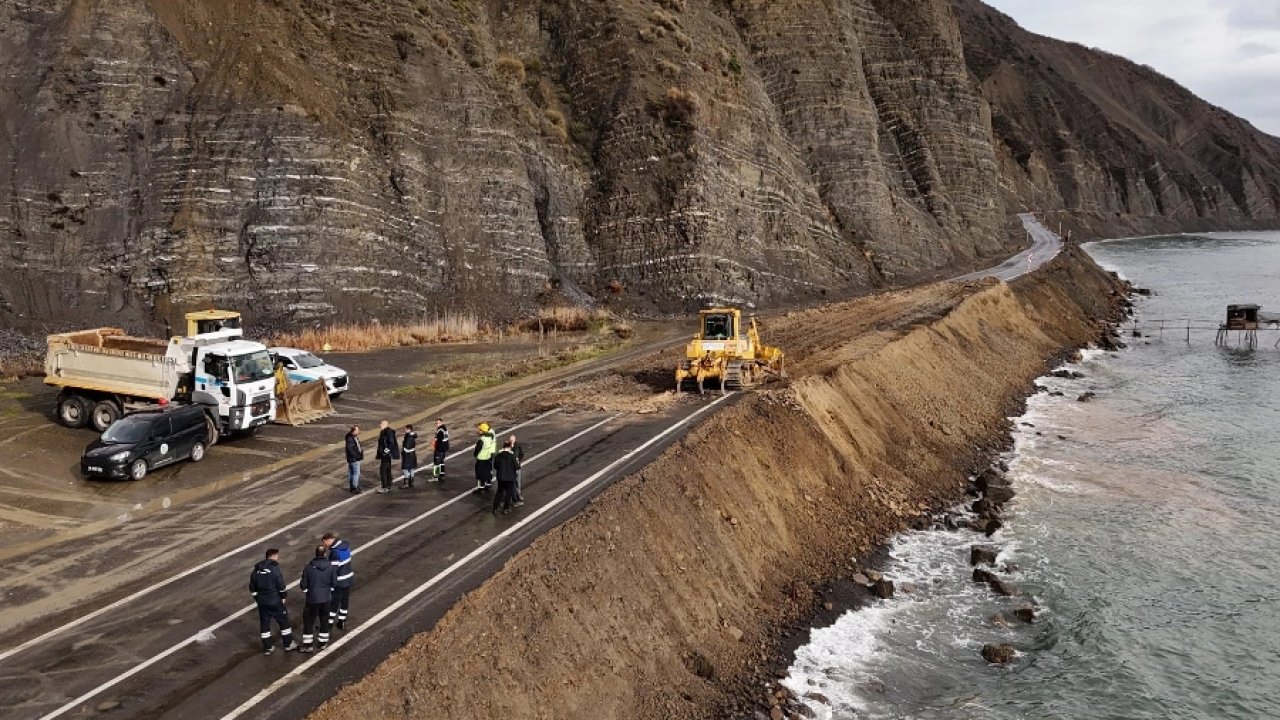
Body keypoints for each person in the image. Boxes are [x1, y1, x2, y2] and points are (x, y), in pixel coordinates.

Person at [249, 548, 295, 655]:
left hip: (262, 602)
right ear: (274, 556)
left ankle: (268, 647)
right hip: (275, 601)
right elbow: (280, 584)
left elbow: (252, 588)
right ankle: (288, 644)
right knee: (283, 622)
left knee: (265, 624)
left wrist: (258, 599)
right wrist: (283, 596)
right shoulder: (274, 568)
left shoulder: (256, 570)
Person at [299, 544, 336, 653]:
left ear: (316, 554)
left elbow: (303, 585)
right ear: (325, 554)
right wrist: (328, 591)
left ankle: (308, 645)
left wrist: (308, 592)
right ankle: (323, 643)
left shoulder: (308, 568)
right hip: (326, 598)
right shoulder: (330, 567)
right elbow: (334, 583)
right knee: (324, 620)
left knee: (309, 621)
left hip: (312, 599)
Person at [322, 532, 354, 630]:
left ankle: (329, 625)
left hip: (339, 581)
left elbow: (333, 570)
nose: (325, 545)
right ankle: (342, 621)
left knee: (334, 603)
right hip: (348, 578)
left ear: (329, 540)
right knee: (345, 601)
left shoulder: (335, 552)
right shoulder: (346, 546)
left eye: (325, 542)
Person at [492, 438, 521, 514]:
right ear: (510, 447)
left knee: (499, 492)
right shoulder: (512, 456)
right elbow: (517, 466)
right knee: (508, 493)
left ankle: (495, 508)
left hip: (501, 477)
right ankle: (505, 509)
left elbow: (495, 466)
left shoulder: (498, 456)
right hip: (510, 478)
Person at [473, 421, 497, 493]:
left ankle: (481, 487)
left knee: (480, 473)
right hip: (488, 456)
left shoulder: (482, 439)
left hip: (481, 458)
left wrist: (475, 454)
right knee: (487, 471)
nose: (478, 431)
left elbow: (477, 449)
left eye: (479, 430)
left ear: (482, 431)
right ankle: (488, 484)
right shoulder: (490, 437)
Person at [376, 420, 399, 493]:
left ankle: (385, 487)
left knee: (383, 470)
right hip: (387, 454)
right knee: (388, 470)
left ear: (384, 425)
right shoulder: (386, 432)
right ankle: (389, 485)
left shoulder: (388, 432)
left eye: (381, 424)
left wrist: (385, 452)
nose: (380, 426)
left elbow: (391, 443)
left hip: (386, 455)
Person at [345, 425, 364, 494]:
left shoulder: (352, 437)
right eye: (357, 430)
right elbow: (351, 449)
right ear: (354, 431)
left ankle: (353, 486)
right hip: (354, 459)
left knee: (352, 473)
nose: (359, 431)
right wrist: (358, 456)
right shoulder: (351, 438)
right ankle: (354, 488)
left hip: (351, 458)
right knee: (356, 473)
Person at [508, 433, 526, 506]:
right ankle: (514, 496)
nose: (511, 442)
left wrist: (518, 460)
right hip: (511, 468)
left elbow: (521, 454)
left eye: (513, 440)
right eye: (510, 440)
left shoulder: (518, 446)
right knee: (513, 483)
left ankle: (518, 494)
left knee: (517, 482)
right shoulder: (507, 446)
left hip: (516, 466)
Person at [430, 418, 449, 483]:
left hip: (439, 449)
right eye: (436, 423)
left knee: (436, 463)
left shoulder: (440, 430)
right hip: (443, 448)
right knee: (441, 462)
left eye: (438, 423)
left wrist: (435, 444)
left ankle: (435, 477)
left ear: (441, 423)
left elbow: (438, 441)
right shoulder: (444, 428)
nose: (437, 424)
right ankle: (442, 475)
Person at [400, 424, 418, 489]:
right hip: (412, 454)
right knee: (411, 468)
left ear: (409, 429)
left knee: (405, 468)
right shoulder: (412, 436)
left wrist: (403, 451)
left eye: (405, 429)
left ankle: (406, 483)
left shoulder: (408, 437)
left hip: (408, 455)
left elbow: (407, 447)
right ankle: (411, 482)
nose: (405, 430)